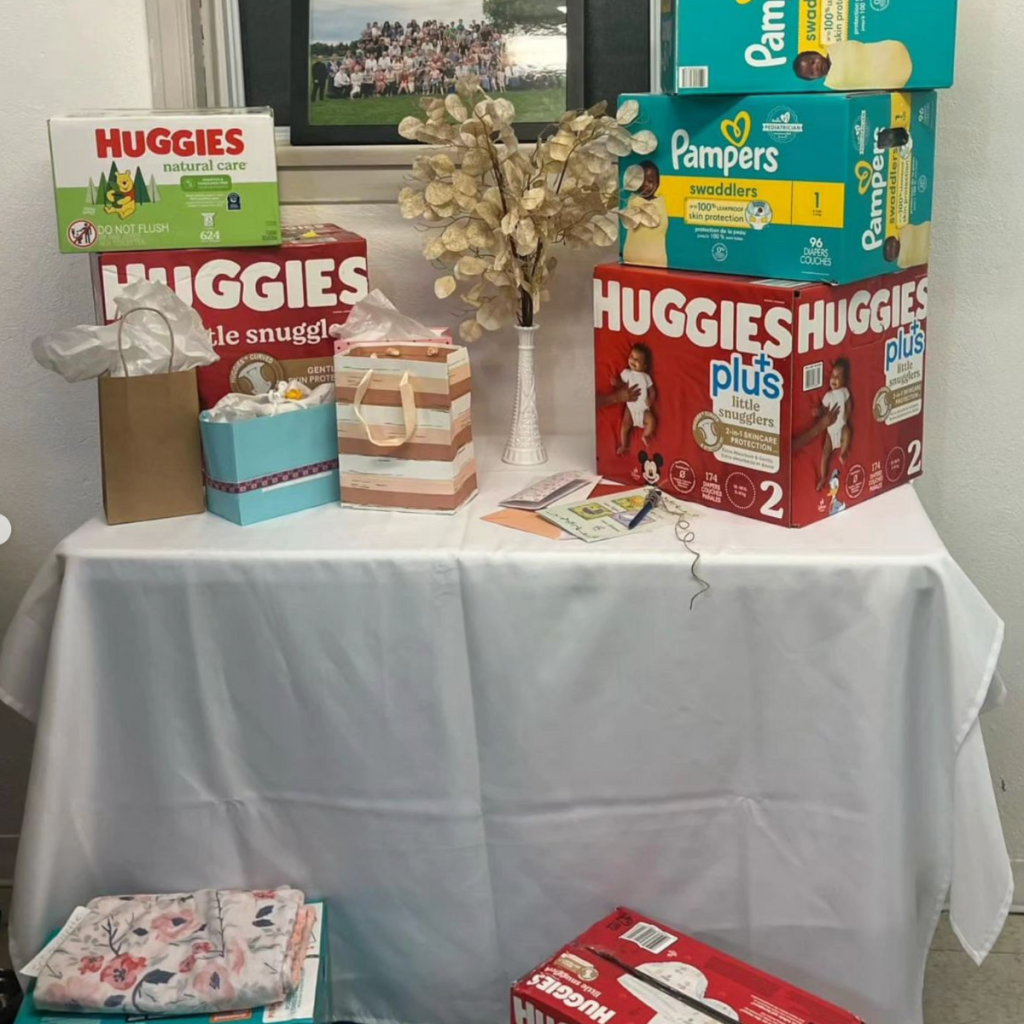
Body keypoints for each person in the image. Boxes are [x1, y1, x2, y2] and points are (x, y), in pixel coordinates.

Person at [816, 358, 853, 490]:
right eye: (832, 376)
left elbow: (849, 404)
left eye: (838, 377)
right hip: (830, 431)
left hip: (842, 425)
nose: (834, 379)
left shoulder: (844, 392)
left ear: (844, 381)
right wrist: (818, 412)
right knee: (825, 453)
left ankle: (842, 452)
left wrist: (847, 415)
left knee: (847, 432)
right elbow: (824, 409)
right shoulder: (828, 395)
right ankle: (823, 477)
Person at [617, 344, 657, 453]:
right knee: (625, 425)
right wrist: (616, 383)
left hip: (643, 407)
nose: (633, 360)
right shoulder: (627, 373)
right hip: (630, 407)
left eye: (637, 359)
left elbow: (652, 391)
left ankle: (646, 435)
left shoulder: (646, 376)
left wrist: (651, 399)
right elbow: (621, 384)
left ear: (644, 366)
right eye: (631, 356)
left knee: (651, 420)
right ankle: (624, 445)